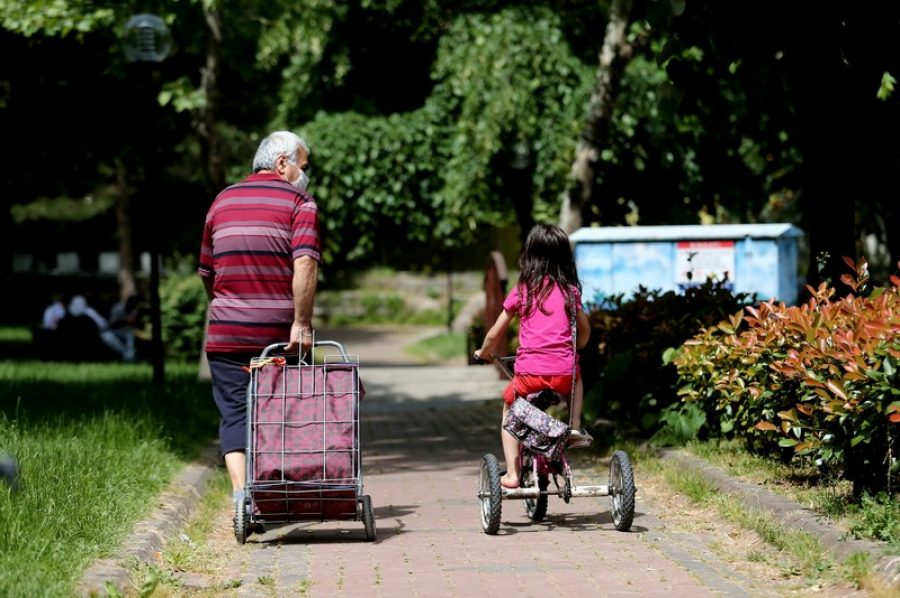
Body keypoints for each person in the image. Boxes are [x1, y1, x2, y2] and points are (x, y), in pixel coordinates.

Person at [198, 130, 321, 509]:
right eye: (302, 165)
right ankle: (275, 494)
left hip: (226, 333)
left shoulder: (221, 201)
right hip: (279, 334)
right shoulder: (301, 202)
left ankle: (241, 496)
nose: (305, 174)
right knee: (284, 413)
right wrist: (301, 322)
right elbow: (304, 262)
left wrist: (226, 309)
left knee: (234, 413)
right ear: (281, 163)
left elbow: (206, 271)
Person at [474, 224, 592, 489]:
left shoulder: (524, 289)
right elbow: (584, 330)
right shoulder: (570, 292)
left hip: (529, 375)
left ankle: (514, 474)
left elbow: (495, 333)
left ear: (530, 255)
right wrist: (580, 346)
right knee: (577, 378)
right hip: (563, 373)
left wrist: (483, 352)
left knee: (509, 407)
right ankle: (573, 424)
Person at [104, 294, 141, 363]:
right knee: (107, 336)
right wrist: (124, 320)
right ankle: (125, 353)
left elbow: (133, 323)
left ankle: (129, 357)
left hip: (125, 331)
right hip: (113, 331)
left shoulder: (134, 310)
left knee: (130, 335)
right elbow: (111, 324)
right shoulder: (118, 308)